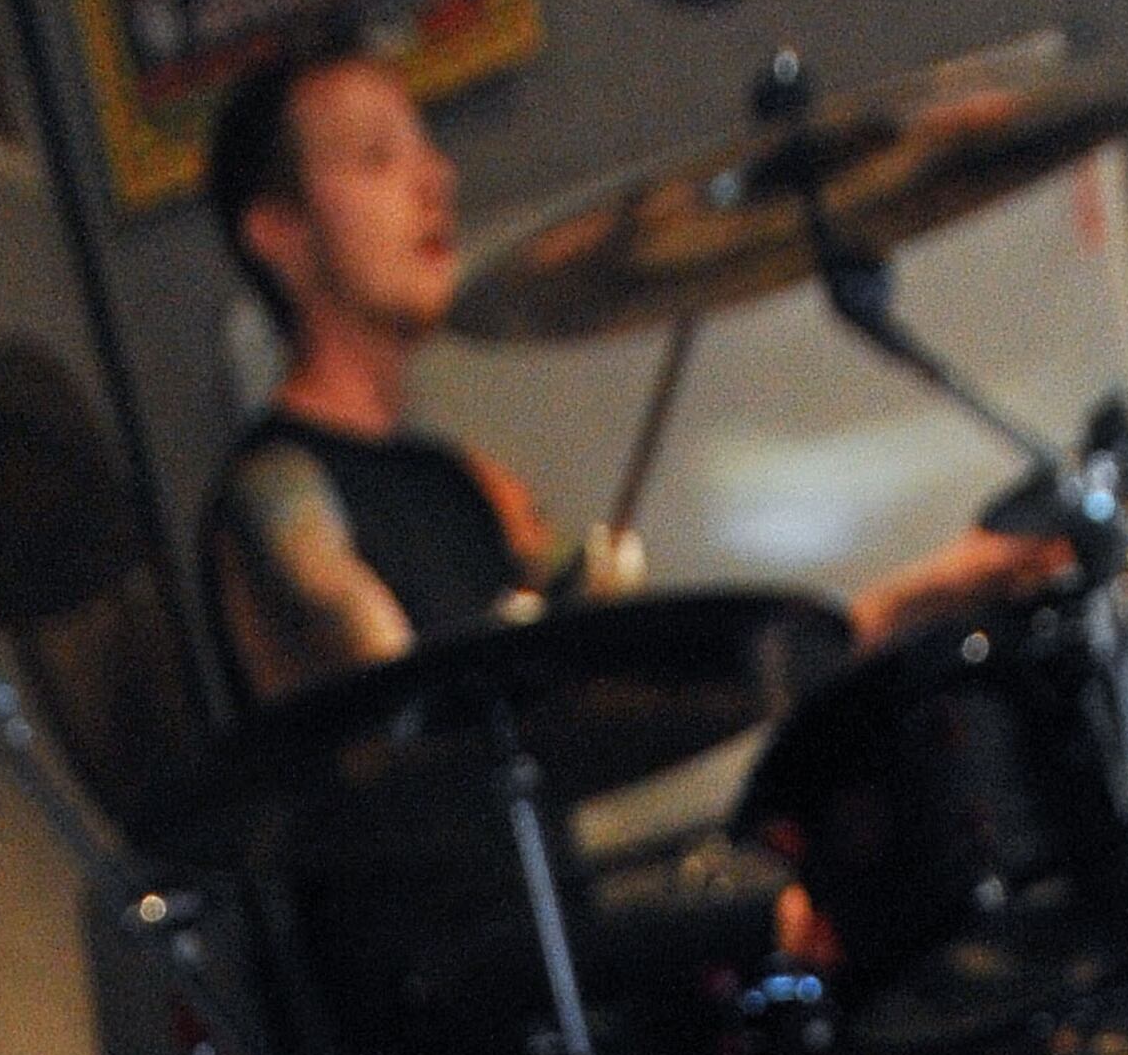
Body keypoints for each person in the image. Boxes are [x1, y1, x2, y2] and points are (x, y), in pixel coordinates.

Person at [198, 45, 1058, 709]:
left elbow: (641, 696)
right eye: (376, 158)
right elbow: (426, 741)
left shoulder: (461, 482)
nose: (437, 179)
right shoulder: (274, 492)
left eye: (427, 149)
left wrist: (923, 595)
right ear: (276, 231)